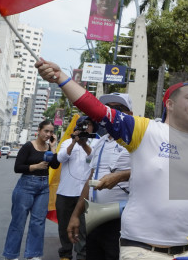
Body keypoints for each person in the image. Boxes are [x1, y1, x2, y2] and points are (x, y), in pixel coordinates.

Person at [35, 60, 188, 258]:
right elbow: (97, 109)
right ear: (170, 105)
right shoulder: (145, 130)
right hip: (141, 250)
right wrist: (61, 77)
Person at [66, 93, 133, 260]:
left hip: (122, 220)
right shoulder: (101, 142)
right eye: (108, 109)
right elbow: (90, 180)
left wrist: (120, 176)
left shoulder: (137, 141)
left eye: (117, 109)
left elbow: (154, 172)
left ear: (130, 114)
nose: (112, 113)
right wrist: (76, 215)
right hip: (95, 218)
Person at [3, 120, 58, 260]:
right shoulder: (28, 146)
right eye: (46, 131)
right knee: (18, 222)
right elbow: (17, 167)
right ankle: (11, 255)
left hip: (43, 187)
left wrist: (54, 147)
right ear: (39, 130)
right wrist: (35, 167)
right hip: (26, 185)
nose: (48, 134)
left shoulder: (49, 148)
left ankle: (33, 255)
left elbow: (55, 166)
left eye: (51, 132)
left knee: (38, 222)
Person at [55, 116, 97, 260]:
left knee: (84, 228)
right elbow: (60, 158)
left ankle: (82, 255)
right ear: (78, 127)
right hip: (65, 192)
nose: (87, 128)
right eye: (84, 125)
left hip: (84, 194)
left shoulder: (97, 142)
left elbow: (94, 158)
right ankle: (66, 254)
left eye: (89, 125)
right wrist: (74, 142)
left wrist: (84, 144)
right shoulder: (67, 141)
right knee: (64, 226)